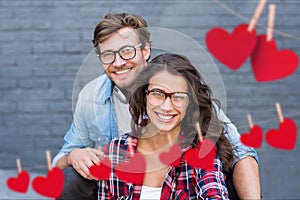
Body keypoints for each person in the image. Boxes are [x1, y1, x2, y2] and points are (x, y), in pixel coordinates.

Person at [53, 13, 261, 200]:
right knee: (69, 179)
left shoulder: (175, 81)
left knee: (226, 169)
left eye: (126, 51)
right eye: (108, 54)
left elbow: (241, 150)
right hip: (127, 185)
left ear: (145, 50)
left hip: (182, 182)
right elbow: (61, 159)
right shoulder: (92, 98)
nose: (118, 62)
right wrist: (73, 155)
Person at [98, 53, 234, 199]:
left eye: (179, 96)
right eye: (158, 93)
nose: (167, 107)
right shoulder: (116, 151)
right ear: (145, 96)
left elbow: (214, 195)